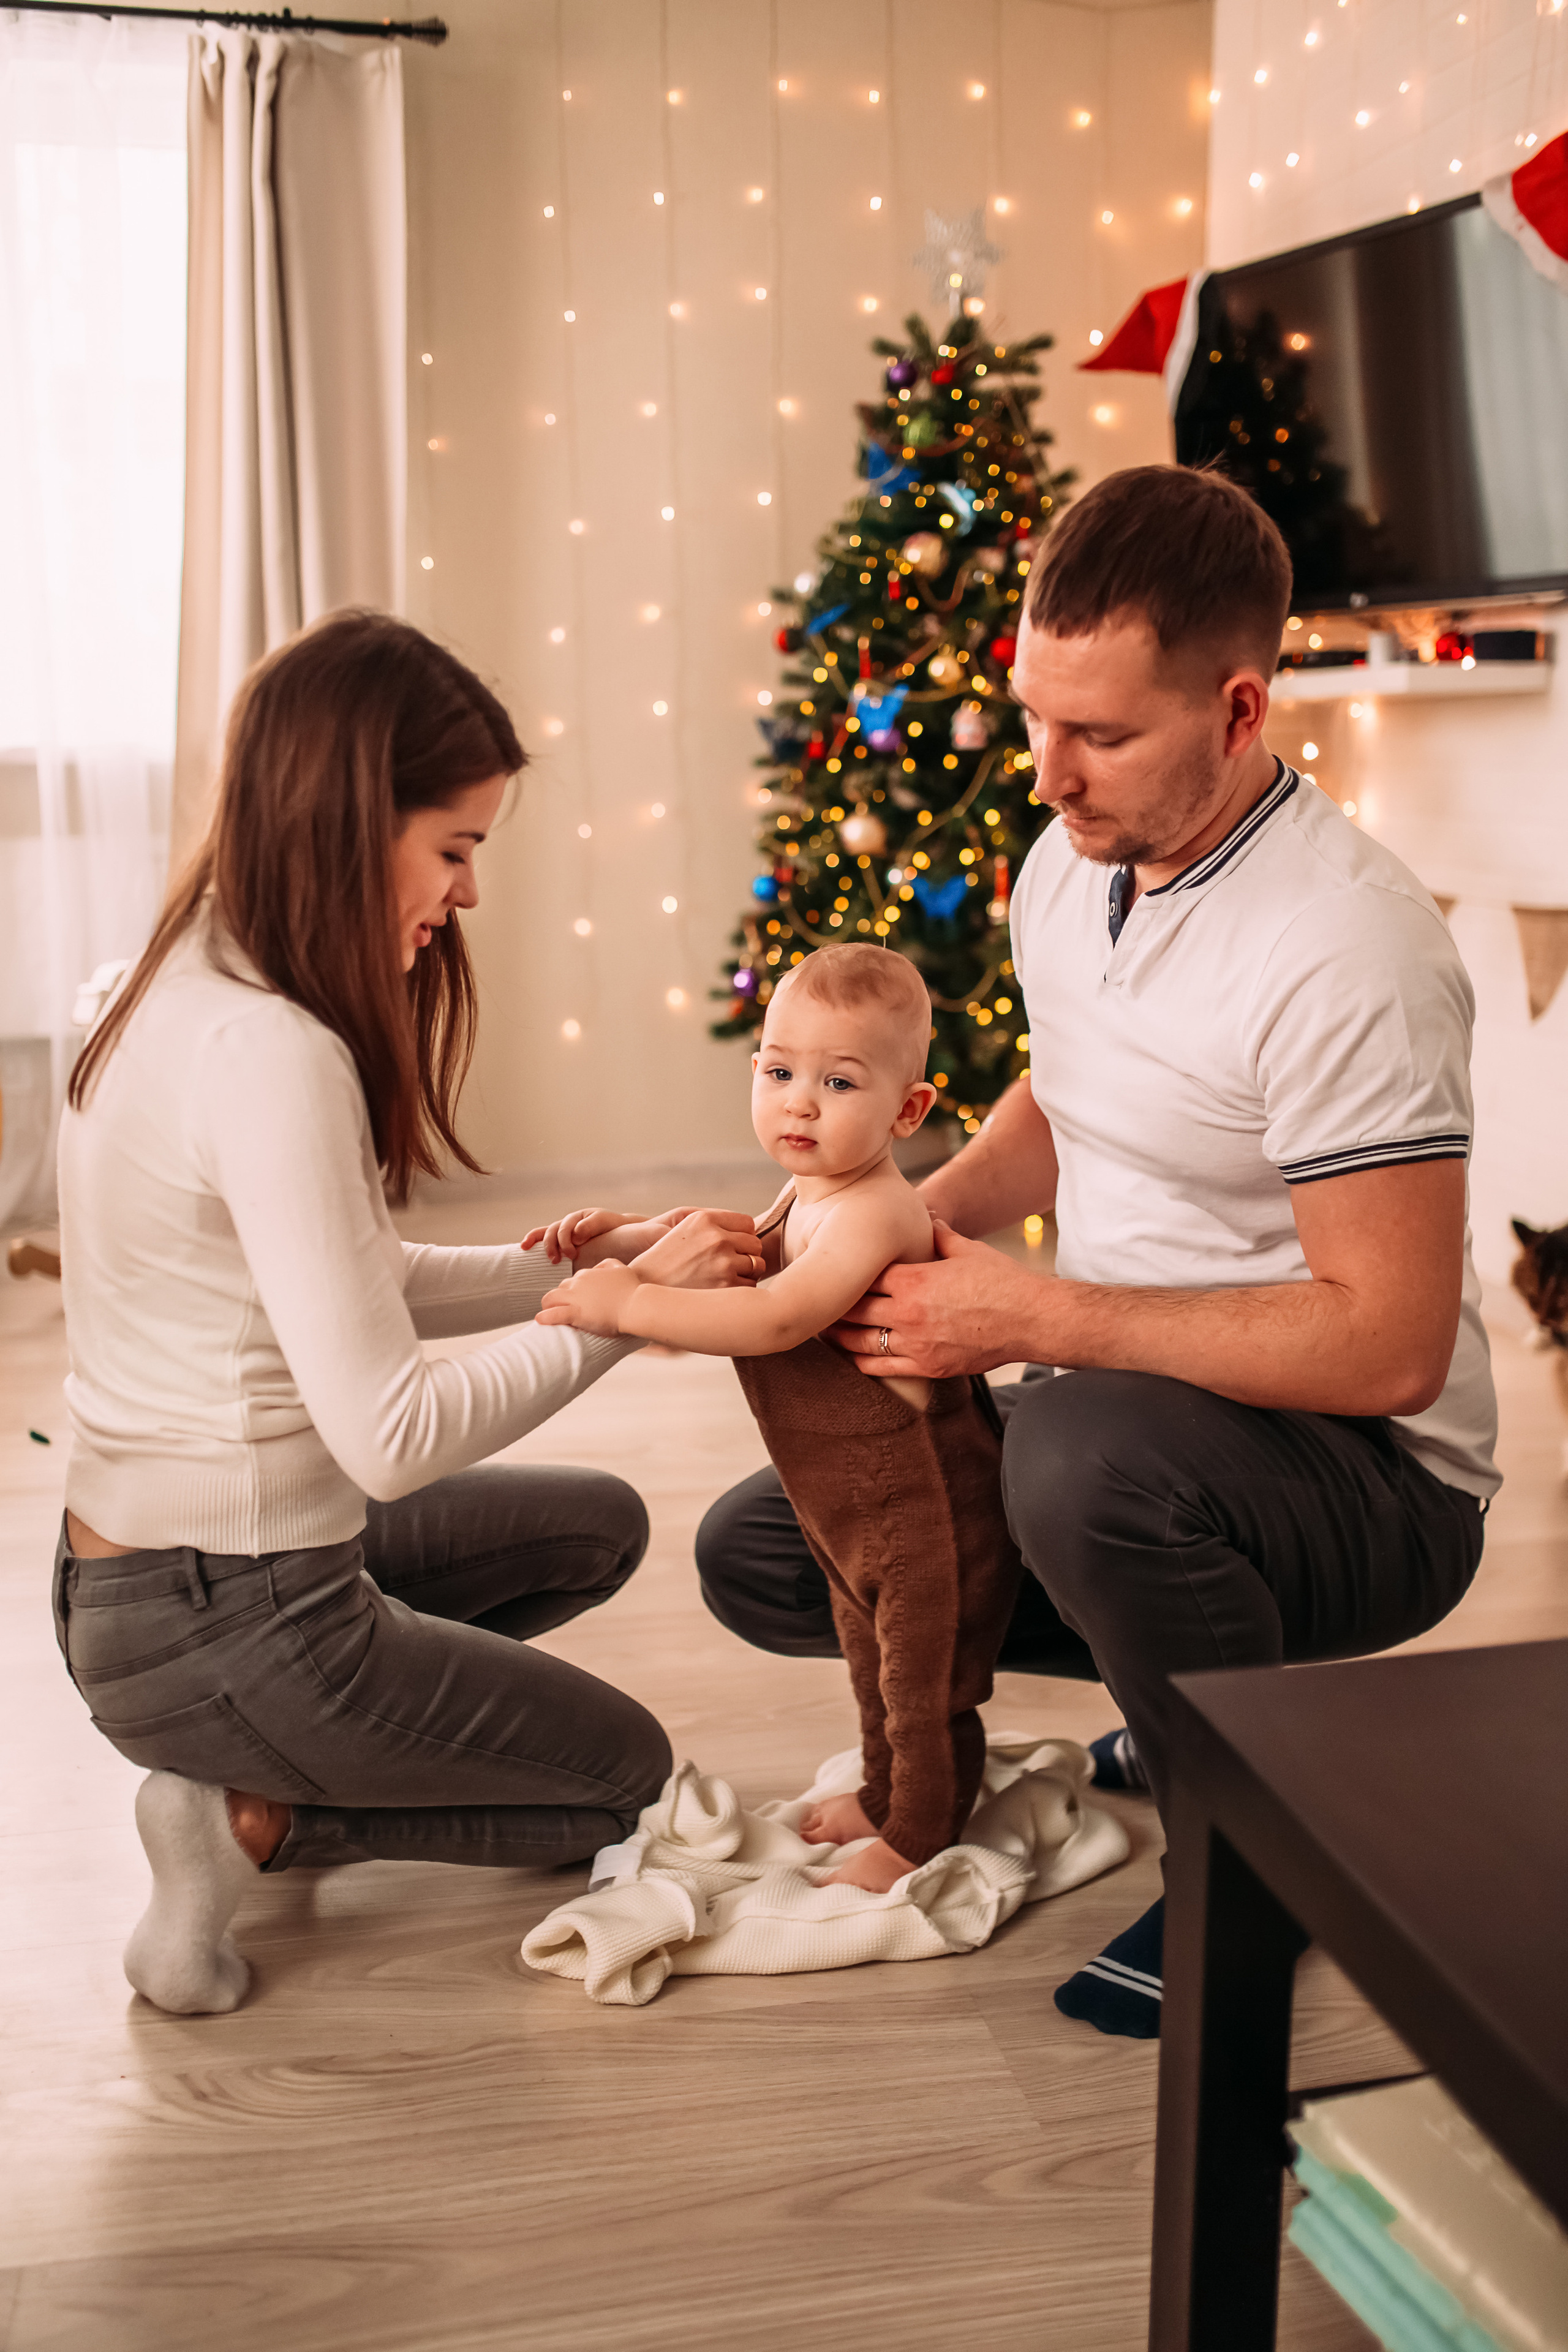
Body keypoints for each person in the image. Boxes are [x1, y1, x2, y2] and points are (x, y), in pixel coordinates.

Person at [695, 466, 1498, 2039]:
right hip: (1134, 1409)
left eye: (1102, 734)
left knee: (1075, 1457)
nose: (1046, 773)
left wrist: (1030, 1314)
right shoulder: (1069, 865)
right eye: (1032, 716)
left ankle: (1261, 1855)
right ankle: (1184, 1698)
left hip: (1374, 1483)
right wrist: (913, 1228)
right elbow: (1069, 1092)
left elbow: (1387, 1344)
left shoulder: (1345, 950)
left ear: (1240, 707)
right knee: (776, 1543)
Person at [55, 611, 761, 2017]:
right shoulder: (270, 1050)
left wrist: (571, 1260)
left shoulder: (178, 975)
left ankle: (283, 1742)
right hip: (224, 1611)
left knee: (595, 1522)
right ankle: (247, 1816)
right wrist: (625, 1313)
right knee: (622, 1784)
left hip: (140, 1581)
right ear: (345, 821)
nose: (469, 895)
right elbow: (388, 1433)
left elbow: (345, 1282)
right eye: (456, 849)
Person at [531, 944, 1022, 1893]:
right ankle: (886, 1792)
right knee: (868, 1664)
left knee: (922, 1690)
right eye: (779, 1070)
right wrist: (624, 1236)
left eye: (839, 1081)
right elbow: (743, 1251)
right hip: (844, 1509)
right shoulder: (810, 1189)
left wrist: (627, 1303)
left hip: (925, 1512)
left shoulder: (876, 1209)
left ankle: (918, 1833)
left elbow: (775, 1314)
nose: (798, 1101)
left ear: (907, 1112)